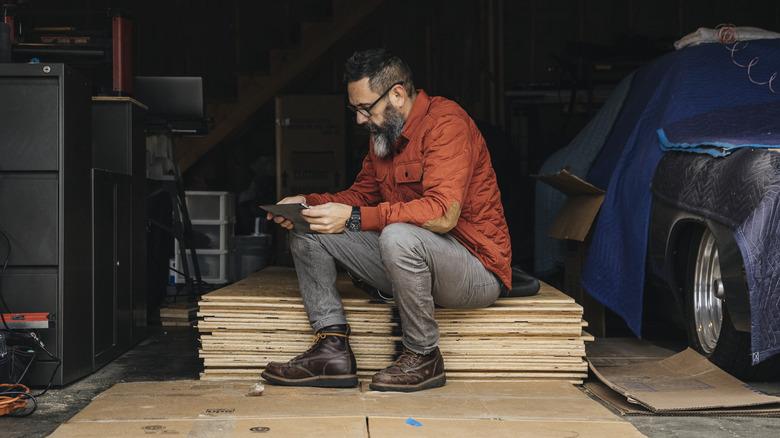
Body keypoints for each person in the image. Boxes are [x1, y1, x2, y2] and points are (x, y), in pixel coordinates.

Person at [262, 48, 511, 392]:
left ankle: (424, 355)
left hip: (474, 268)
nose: (360, 120)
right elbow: (361, 198)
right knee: (311, 227)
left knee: (396, 235)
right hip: (411, 262)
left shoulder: (446, 123)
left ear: (396, 94)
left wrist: (352, 218)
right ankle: (331, 348)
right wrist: (309, 203)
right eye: (355, 110)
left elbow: (442, 214)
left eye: (365, 108)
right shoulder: (384, 136)